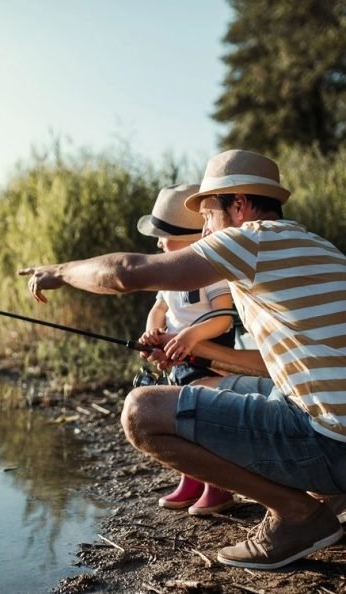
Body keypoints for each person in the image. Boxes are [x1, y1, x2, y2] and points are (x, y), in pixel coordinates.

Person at [19, 149, 346, 570]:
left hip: (336, 447)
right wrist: (196, 349)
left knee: (142, 412)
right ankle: (340, 496)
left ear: (238, 205)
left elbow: (126, 273)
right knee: (221, 386)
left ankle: (298, 516)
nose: (203, 230)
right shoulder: (309, 245)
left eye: (207, 215)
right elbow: (274, 367)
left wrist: (60, 271)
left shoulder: (250, 240)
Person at [135, 183, 238, 516]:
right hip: (176, 360)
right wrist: (153, 331)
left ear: (190, 239)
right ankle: (190, 478)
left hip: (208, 358)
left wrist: (191, 337)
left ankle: (217, 485)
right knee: (178, 419)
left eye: (164, 236)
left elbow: (223, 318)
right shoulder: (169, 274)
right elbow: (159, 308)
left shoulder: (213, 273)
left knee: (201, 420)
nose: (158, 243)